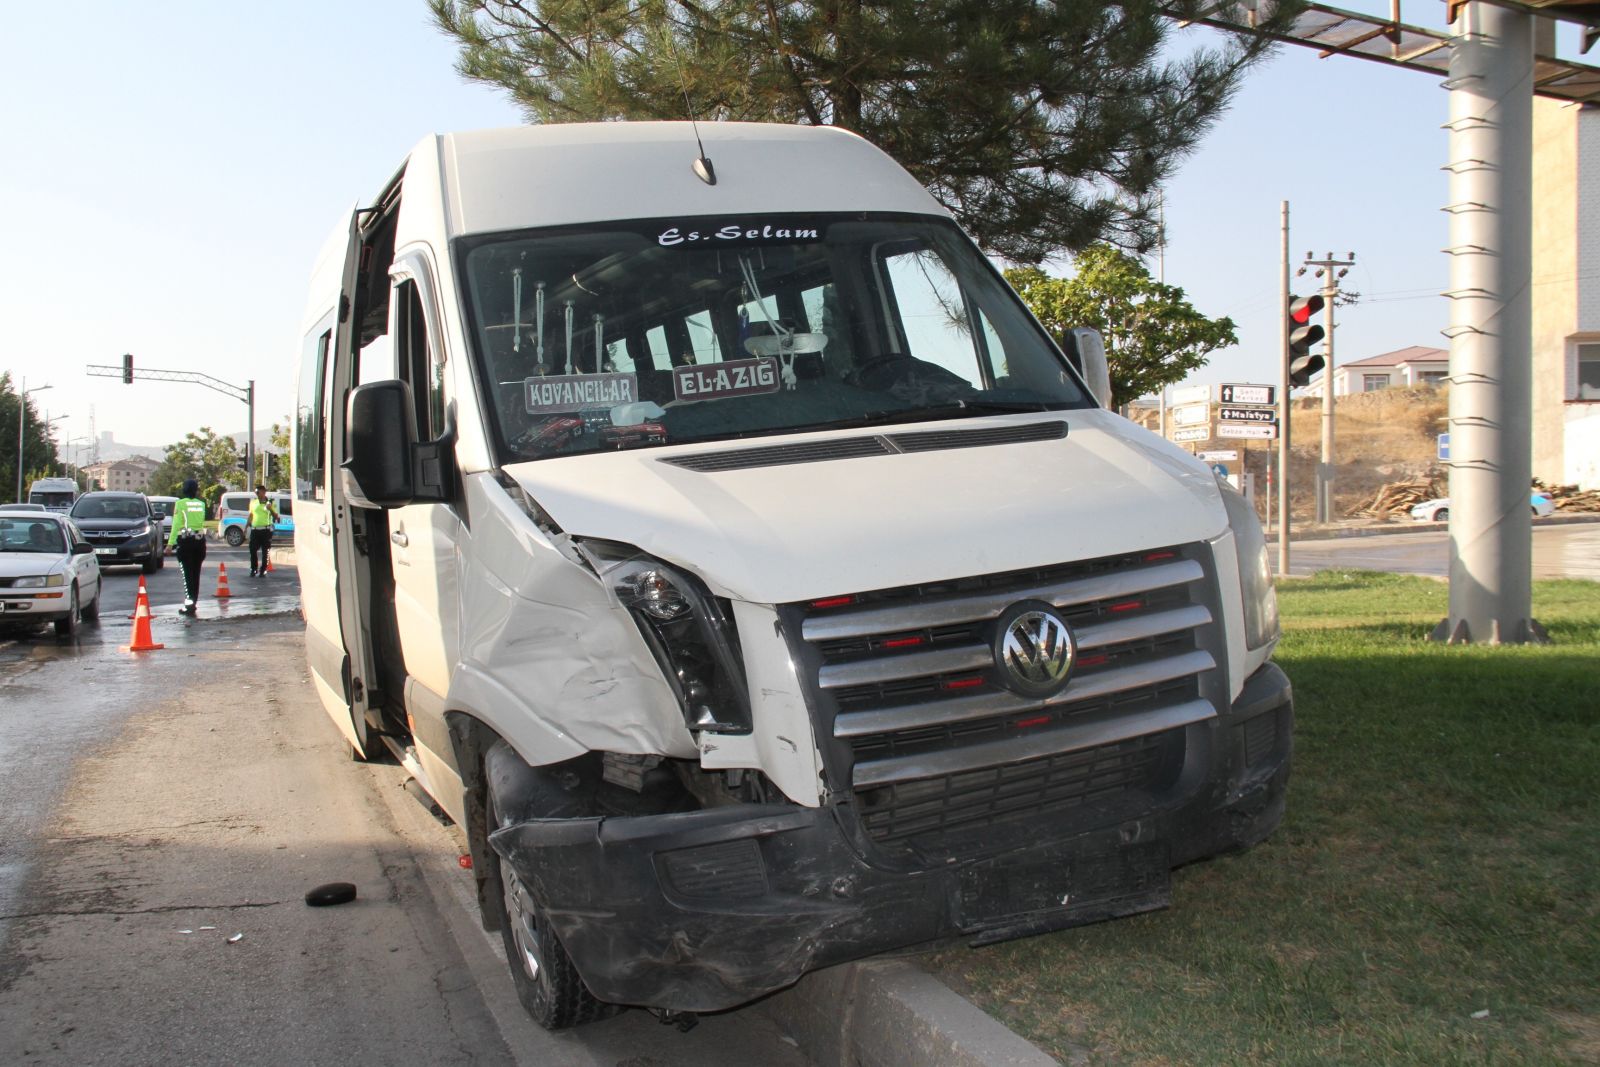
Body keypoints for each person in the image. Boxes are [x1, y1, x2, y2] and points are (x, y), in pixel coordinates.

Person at [166, 479, 208, 615]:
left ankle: (189, 605)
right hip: (200, 542)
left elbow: (176, 524)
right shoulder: (201, 504)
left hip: (186, 542)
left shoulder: (180, 504)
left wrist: (170, 544)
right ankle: (193, 602)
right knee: (195, 575)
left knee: (187, 575)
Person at [247, 484, 279, 577]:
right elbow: (251, 515)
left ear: (263, 492)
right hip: (255, 530)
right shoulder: (253, 502)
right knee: (252, 550)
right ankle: (253, 569)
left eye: (258, 492)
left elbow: (276, 516)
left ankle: (263, 570)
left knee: (266, 551)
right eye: (256, 492)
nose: (257, 494)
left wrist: (270, 510)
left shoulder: (271, 502)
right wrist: (246, 526)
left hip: (266, 530)